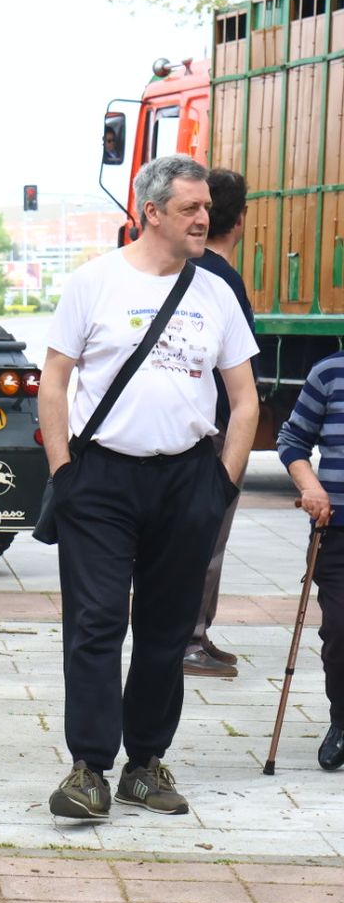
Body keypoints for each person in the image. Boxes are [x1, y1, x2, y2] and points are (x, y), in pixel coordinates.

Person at [40, 154, 258, 819]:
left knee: (166, 630)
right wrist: (65, 473)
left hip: (188, 477)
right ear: (151, 212)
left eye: (207, 208)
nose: (205, 217)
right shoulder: (93, 283)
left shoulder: (215, 292)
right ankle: (88, 767)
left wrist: (220, 484)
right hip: (101, 477)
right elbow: (54, 382)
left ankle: (145, 762)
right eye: (191, 207)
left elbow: (244, 400)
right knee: (96, 623)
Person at [183, 168, 257, 678]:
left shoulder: (197, 270)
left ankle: (195, 633)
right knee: (208, 541)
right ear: (242, 220)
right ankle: (191, 638)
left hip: (201, 428)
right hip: (216, 431)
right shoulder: (221, 280)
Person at [278, 352, 344, 769]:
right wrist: (311, 486)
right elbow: (293, 440)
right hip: (337, 530)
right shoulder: (328, 373)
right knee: (340, 629)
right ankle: (342, 720)